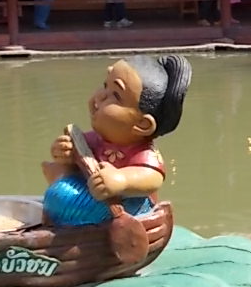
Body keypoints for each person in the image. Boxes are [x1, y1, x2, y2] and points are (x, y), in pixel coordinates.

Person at [41, 55, 191, 226]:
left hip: (124, 207)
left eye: (116, 95)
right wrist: (65, 154)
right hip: (94, 196)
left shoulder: (142, 153)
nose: (100, 96)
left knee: (63, 197)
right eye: (105, 85)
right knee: (62, 189)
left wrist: (122, 179)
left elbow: (153, 178)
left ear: (143, 124)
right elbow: (76, 161)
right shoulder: (93, 139)